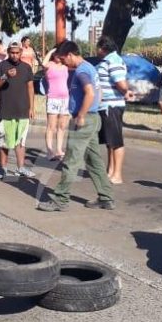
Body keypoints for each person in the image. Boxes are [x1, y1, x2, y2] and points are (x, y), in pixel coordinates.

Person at [37, 41, 115, 211]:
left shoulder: (81, 71)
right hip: (93, 118)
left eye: (64, 59)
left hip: (84, 120)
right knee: (94, 161)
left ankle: (60, 200)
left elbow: (90, 92)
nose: (64, 63)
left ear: (71, 55)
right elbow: (98, 92)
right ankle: (106, 197)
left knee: (71, 160)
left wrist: (81, 115)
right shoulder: (89, 67)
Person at [0, 40, 36, 178]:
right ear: (8, 52)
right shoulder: (1, 66)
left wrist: (32, 107)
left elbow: (30, 87)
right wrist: (6, 76)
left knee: (21, 141)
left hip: (22, 110)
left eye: (17, 52)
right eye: (12, 52)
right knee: (3, 141)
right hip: (5, 110)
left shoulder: (26, 67)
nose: (15, 55)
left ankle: (21, 168)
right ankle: (3, 168)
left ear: (21, 52)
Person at [96, 36, 133, 184]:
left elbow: (120, 81)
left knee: (116, 141)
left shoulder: (114, 60)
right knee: (109, 141)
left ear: (103, 48)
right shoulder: (107, 60)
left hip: (112, 105)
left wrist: (125, 91)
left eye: (97, 47)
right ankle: (110, 170)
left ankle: (117, 174)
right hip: (105, 105)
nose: (96, 50)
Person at [41, 46, 71, 160]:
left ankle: (59, 150)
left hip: (65, 98)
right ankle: (49, 151)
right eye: (57, 54)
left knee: (62, 126)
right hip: (53, 98)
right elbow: (43, 63)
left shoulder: (65, 66)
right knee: (51, 126)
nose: (58, 56)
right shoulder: (49, 65)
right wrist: (51, 50)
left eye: (60, 54)